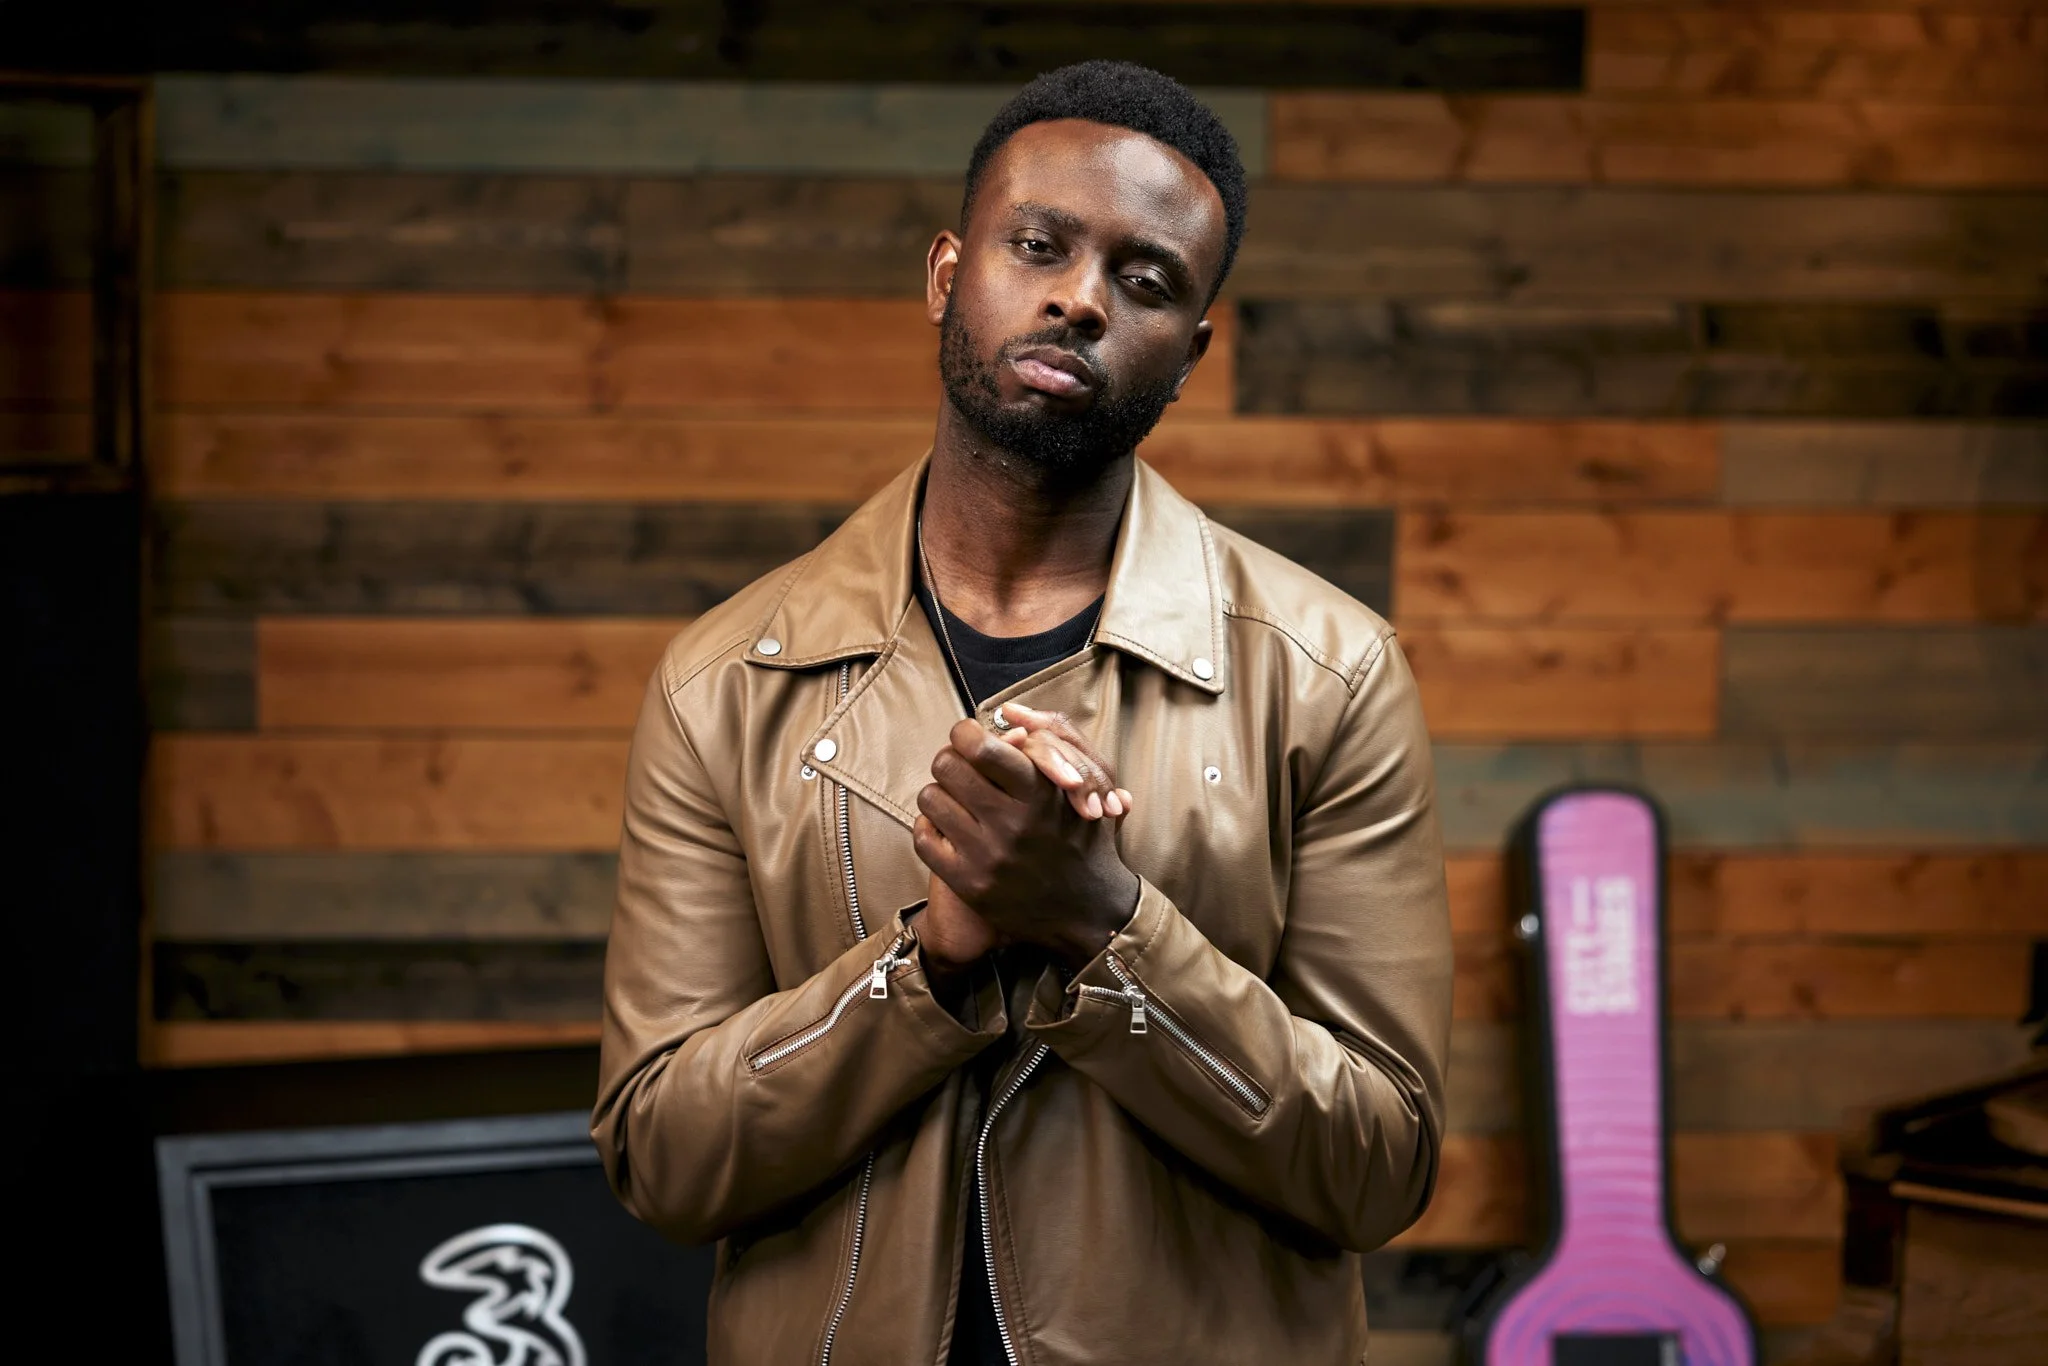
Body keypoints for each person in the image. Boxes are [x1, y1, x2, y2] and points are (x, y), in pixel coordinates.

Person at [593, 60, 1454, 1366]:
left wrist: (1106, 925)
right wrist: (929, 962)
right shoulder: (727, 682)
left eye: (1147, 279)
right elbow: (662, 1156)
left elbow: (1379, 1163)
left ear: (1195, 348)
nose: (1081, 300)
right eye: (1039, 245)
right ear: (949, 273)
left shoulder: (1329, 673)